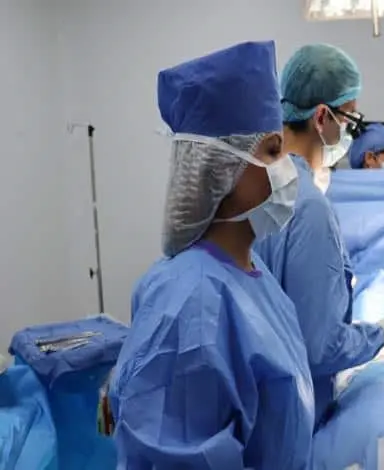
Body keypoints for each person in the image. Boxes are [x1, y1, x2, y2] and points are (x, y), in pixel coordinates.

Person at [108, 42, 315, 469]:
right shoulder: (190, 303)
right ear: (221, 167)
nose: (288, 166)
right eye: (272, 151)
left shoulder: (253, 275)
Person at [253, 43, 384, 426]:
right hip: (293, 418)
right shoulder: (308, 206)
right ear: (322, 117)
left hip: (259, 407)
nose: (350, 132)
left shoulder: (258, 187)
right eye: (349, 120)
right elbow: (321, 347)